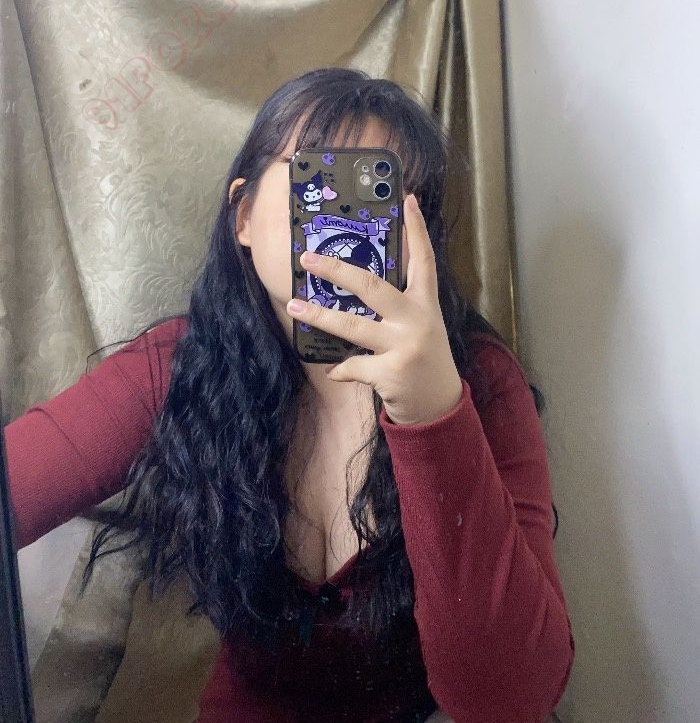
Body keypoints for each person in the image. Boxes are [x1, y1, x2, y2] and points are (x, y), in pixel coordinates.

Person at [4, 67, 575, 722]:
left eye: (381, 192)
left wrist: (434, 416)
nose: (346, 224)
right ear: (244, 215)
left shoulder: (479, 382)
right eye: (320, 182)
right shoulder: (180, 365)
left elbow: (509, 699)